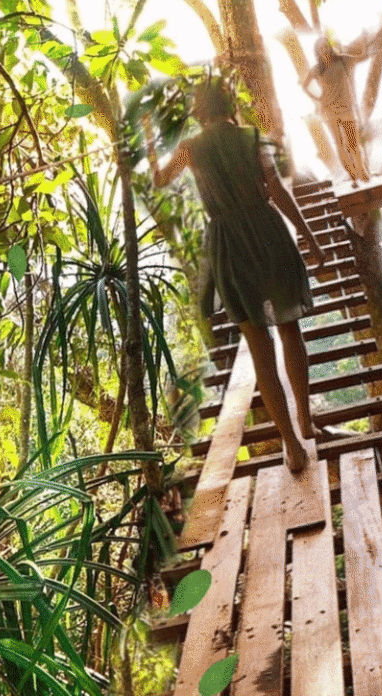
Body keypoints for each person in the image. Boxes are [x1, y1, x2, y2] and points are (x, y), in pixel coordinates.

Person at [144, 78, 329, 474]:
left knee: (259, 345)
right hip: (268, 232)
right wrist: (310, 240)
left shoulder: (190, 148)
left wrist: (146, 136)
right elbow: (277, 190)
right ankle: (307, 421)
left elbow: (160, 179)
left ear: (199, 112)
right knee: (290, 329)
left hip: (228, 244)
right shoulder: (250, 138)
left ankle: (293, 446)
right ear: (228, 106)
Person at [303, 36, 370, 185]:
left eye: (326, 46)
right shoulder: (317, 70)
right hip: (328, 111)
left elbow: (362, 57)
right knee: (340, 145)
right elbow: (305, 85)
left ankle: (362, 170)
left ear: (330, 46)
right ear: (317, 52)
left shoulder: (343, 60)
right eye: (320, 48)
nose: (324, 50)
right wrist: (317, 98)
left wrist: (365, 41)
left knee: (352, 144)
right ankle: (353, 175)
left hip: (346, 107)